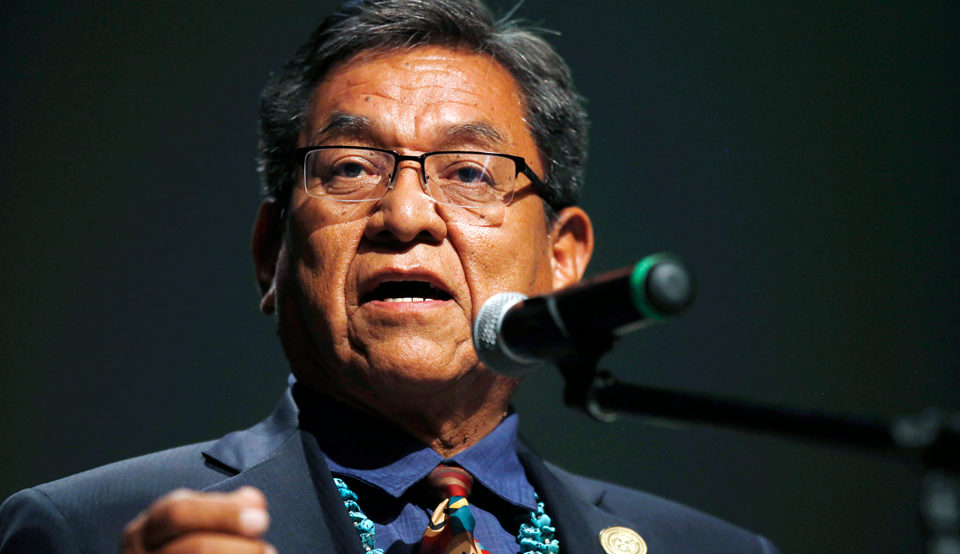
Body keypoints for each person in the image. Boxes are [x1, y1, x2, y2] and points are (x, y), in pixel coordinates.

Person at [0, 1, 778, 552]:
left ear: (564, 260)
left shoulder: (709, 548)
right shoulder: (89, 533)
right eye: (349, 168)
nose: (406, 214)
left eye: (471, 172)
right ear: (271, 251)